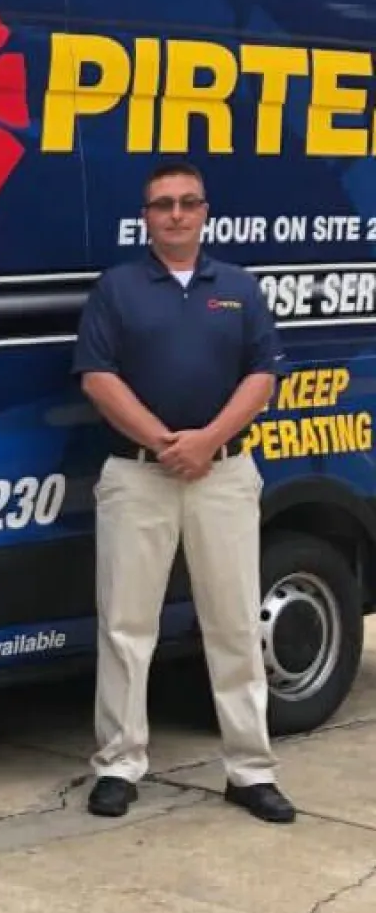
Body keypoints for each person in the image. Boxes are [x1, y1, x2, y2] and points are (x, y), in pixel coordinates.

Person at [71, 159, 295, 824]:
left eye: (187, 203)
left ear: (205, 212)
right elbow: (97, 378)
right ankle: (118, 763)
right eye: (162, 204)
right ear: (145, 217)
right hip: (138, 476)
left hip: (223, 476)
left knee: (232, 626)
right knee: (124, 627)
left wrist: (206, 442)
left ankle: (251, 770)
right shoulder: (117, 289)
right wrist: (168, 443)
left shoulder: (239, 288)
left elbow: (261, 376)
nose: (175, 214)